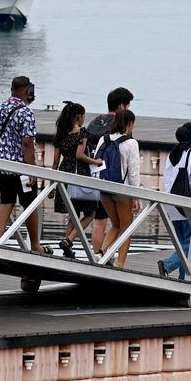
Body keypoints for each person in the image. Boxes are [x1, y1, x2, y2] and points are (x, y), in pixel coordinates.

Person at [0, 76, 45, 254]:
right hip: (21, 167)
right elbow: (27, 142)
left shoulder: (1, 108)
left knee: (6, 201)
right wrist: (31, 170)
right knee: (30, 205)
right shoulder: (26, 113)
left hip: (3, 163)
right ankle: (35, 245)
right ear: (25, 90)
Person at [158, 122, 191, 281]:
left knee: (181, 244)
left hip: (172, 204)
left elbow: (166, 179)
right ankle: (167, 265)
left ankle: (183, 279)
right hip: (187, 204)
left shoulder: (172, 153)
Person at [90, 87, 134, 255]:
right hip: (115, 181)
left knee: (99, 220)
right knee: (121, 224)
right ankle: (107, 255)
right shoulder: (120, 125)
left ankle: (97, 254)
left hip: (95, 176)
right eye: (128, 106)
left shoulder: (96, 122)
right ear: (122, 106)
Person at [52, 101, 98, 258]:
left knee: (73, 213)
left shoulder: (61, 134)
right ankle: (69, 240)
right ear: (79, 117)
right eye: (83, 116)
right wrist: (96, 161)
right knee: (91, 213)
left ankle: (67, 247)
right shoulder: (82, 133)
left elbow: (55, 162)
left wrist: (53, 184)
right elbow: (80, 155)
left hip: (64, 174)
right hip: (79, 176)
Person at [96, 109, 141, 268]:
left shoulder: (104, 139)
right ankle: (120, 265)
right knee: (126, 229)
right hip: (123, 190)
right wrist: (136, 196)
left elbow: (96, 163)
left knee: (116, 225)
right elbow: (134, 172)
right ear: (129, 123)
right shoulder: (131, 143)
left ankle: (100, 253)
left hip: (105, 189)